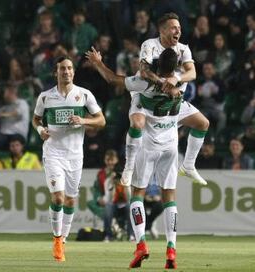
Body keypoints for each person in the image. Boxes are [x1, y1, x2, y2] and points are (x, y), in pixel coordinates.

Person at [87, 47, 184, 268]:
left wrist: (98, 63)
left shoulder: (144, 84)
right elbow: (183, 73)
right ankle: (171, 250)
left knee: (137, 194)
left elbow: (113, 79)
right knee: (169, 198)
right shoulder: (181, 83)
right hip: (171, 144)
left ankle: (141, 244)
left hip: (148, 145)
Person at [87, 13, 210, 186]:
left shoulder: (183, 49)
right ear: (162, 30)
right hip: (144, 93)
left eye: (180, 28)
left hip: (170, 98)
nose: (178, 31)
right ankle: (129, 167)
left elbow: (193, 72)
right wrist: (164, 83)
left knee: (202, 123)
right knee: (137, 123)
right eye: (174, 27)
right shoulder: (150, 45)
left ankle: (188, 165)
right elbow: (144, 71)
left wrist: (175, 80)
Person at [32, 56, 105, 262]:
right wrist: (40, 129)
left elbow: (101, 121)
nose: (66, 72)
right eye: (62, 68)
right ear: (56, 72)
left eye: (70, 68)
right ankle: (56, 239)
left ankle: (63, 238)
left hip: (75, 155)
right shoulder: (46, 97)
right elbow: (36, 119)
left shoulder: (83, 95)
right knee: (58, 198)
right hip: (53, 152)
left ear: (74, 72)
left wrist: (83, 120)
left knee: (71, 199)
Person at [92, 149, 132, 242]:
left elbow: (129, 195)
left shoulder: (124, 174)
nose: (110, 162)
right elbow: (99, 191)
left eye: (112, 160)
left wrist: (123, 184)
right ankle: (108, 235)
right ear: (105, 160)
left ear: (116, 160)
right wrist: (100, 199)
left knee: (130, 207)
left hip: (124, 203)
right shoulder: (102, 175)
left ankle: (131, 235)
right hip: (109, 202)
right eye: (108, 160)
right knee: (106, 207)